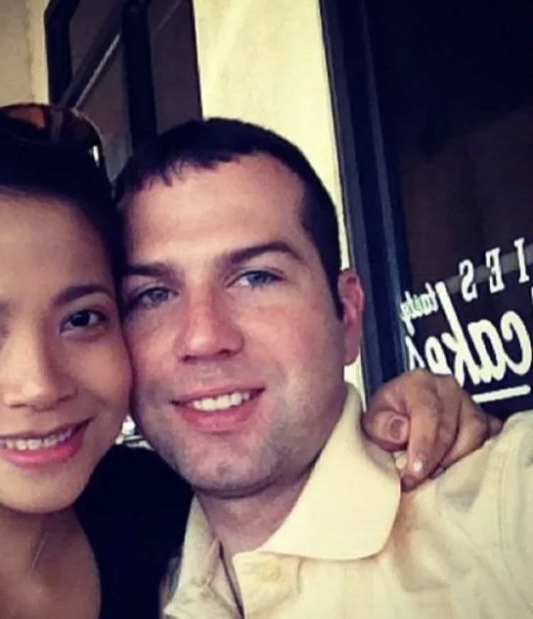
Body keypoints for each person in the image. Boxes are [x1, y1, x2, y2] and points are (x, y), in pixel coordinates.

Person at [0, 105, 499, 619]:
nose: (41, 384)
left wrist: (422, 415)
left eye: (83, 318)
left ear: (348, 313)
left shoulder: (160, 509)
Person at [116, 117, 532, 618]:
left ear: (348, 315)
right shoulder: (124, 573)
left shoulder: (505, 507)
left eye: (256, 278)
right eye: (154, 295)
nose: (204, 338)